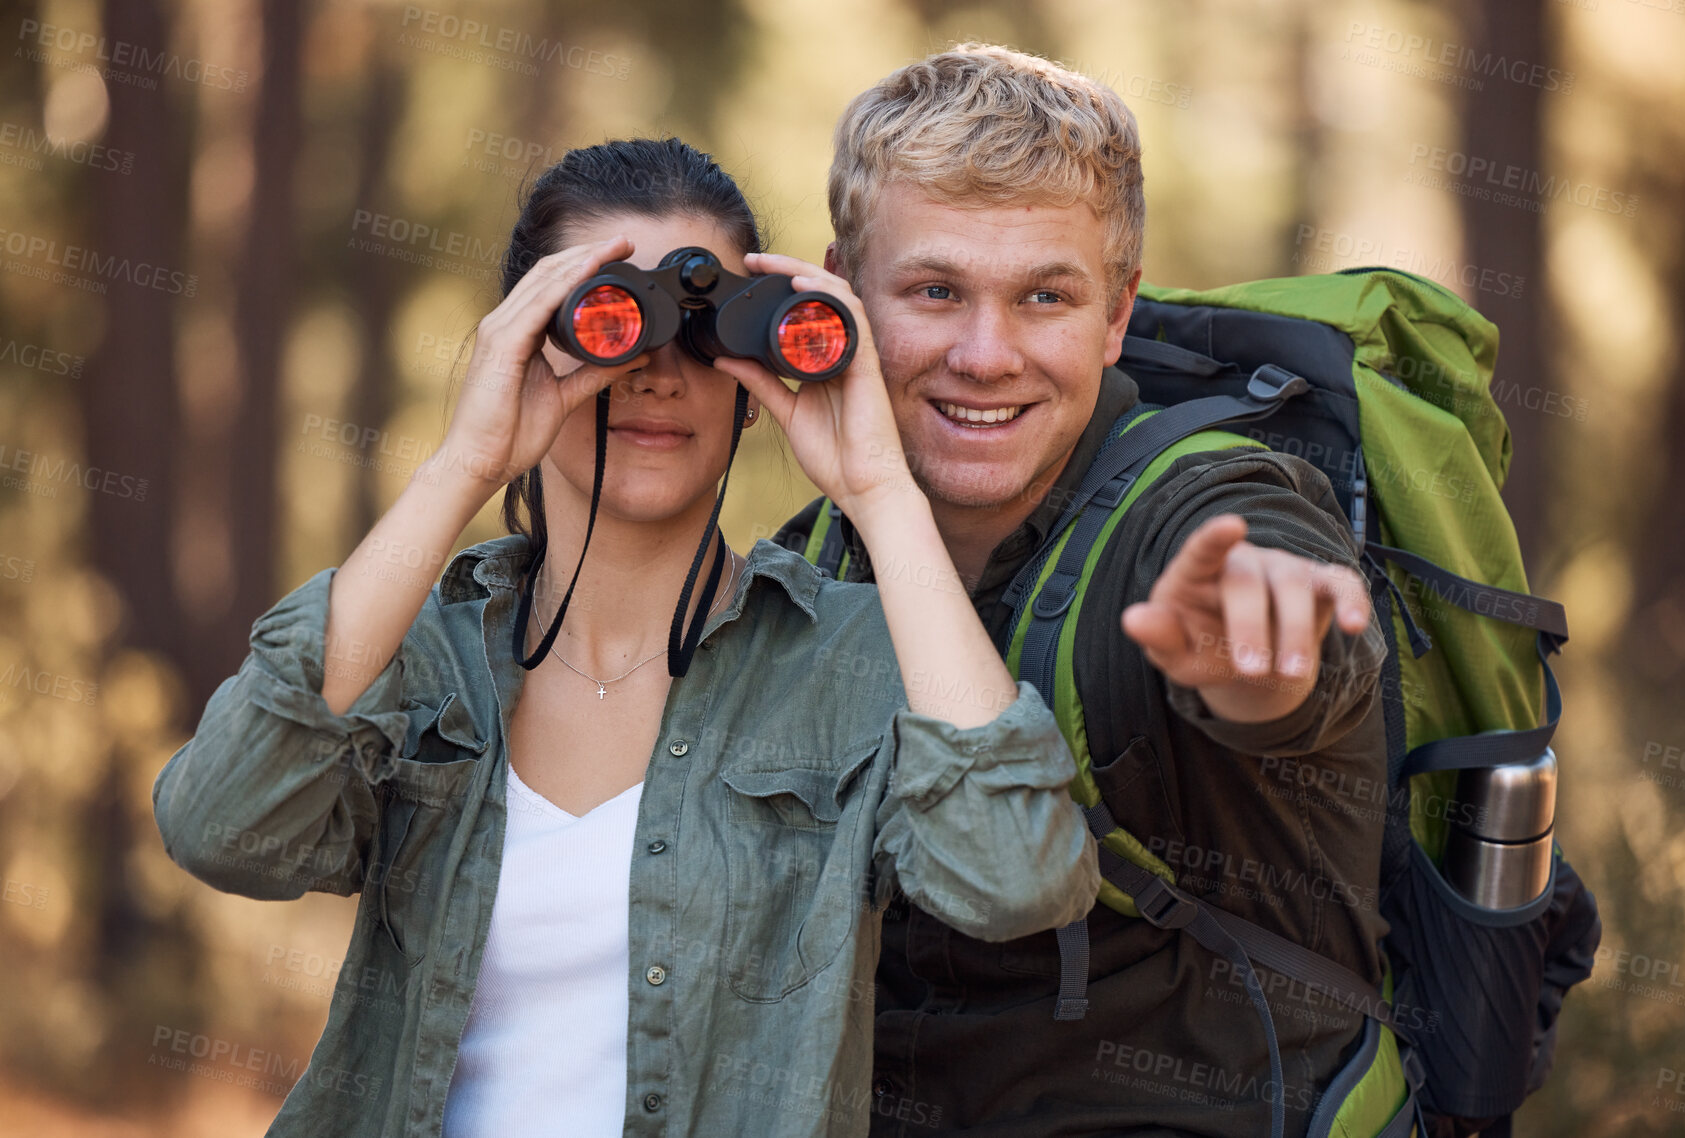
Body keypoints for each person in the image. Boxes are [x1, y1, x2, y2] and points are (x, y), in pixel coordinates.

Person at [152, 137, 1099, 1138]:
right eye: (609, 320)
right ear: (525, 336)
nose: (656, 373)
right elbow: (223, 827)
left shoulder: (851, 662)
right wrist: (463, 460)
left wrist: (880, 492)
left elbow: (1016, 880)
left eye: (704, 333)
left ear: (757, 365)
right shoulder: (423, 656)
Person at [774, 46, 1390, 1137]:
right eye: (934, 290)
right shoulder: (810, 554)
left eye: (1044, 298)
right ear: (847, 289)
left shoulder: (1203, 513)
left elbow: (1290, 635)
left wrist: (1261, 652)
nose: (985, 352)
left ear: (1116, 317)